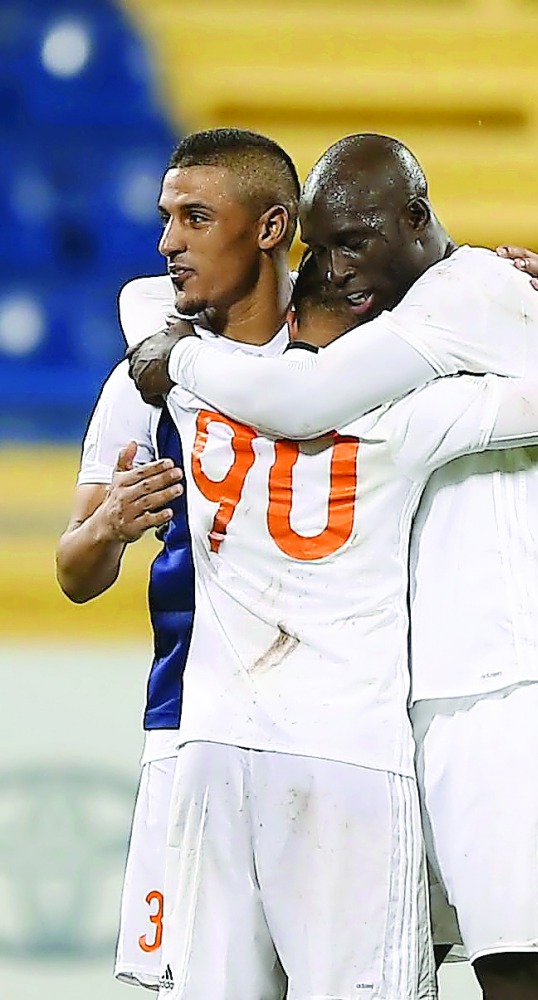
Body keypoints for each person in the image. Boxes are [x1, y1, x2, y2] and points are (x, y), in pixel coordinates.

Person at [128, 133, 538, 1000]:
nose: (336, 270)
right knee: (417, 969)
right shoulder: (413, 356)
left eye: (353, 244)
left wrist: (177, 357)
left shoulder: (473, 293)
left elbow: (300, 400)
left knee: (517, 975)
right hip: (415, 702)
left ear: (416, 218)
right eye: (319, 253)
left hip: (523, 682)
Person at [56, 127, 299, 990]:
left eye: (195, 217)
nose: (168, 242)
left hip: (334, 734)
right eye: (166, 218)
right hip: (189, 727)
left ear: (270, 228)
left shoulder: (348, 358)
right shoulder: (143, 376)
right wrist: (108, 528)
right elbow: (74, 570)